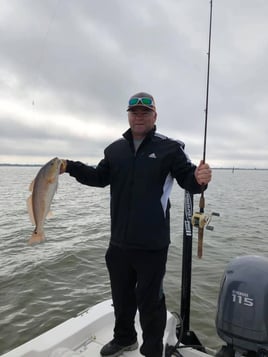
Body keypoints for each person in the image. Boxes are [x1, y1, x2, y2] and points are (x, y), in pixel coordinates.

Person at [60, 92, 212, 357]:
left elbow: (188, 180)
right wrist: (68, 166)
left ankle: (152, 350)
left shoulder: (170, 149)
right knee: (121, 297)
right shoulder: (115, 149)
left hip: (152, 244)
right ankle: (124, 338)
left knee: (150, 302)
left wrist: (200, 179)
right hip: (118, 243)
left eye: (145, 112)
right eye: (134, 113)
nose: (139, 117)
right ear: (128, 116)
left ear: (155, 116)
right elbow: (98, 177)